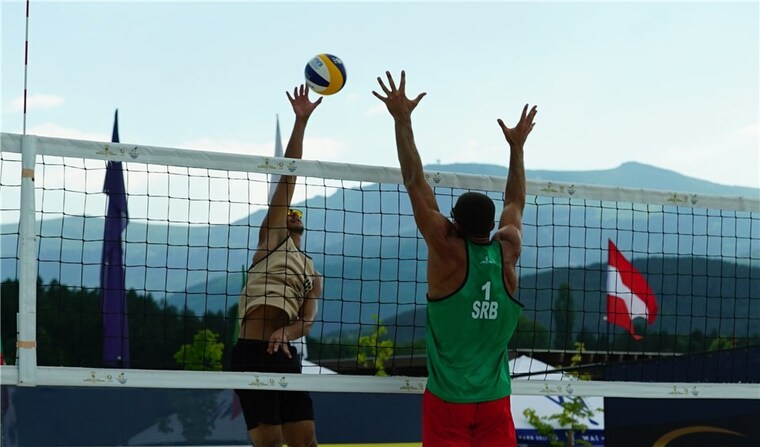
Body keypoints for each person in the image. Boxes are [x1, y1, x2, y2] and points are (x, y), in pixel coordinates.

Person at [373, 70, 537, 446]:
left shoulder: (446, 252)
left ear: (455, 224)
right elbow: (516, 201)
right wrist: (517, 147)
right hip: (495, 401)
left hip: (449, 403)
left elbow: (415, 182)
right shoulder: (507, 254)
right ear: (491, 225)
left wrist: (402, 120)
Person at [232, 84, 324, 447]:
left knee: (305, 442)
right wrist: (300, 122)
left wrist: (289, 332)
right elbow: (289, 176)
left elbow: (308, 320)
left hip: (284, 351)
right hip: (250, 350)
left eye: (297, 215)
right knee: (268, 443)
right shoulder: (271, 240)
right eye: (289, 213)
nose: (293, 215)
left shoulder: (313, 271)